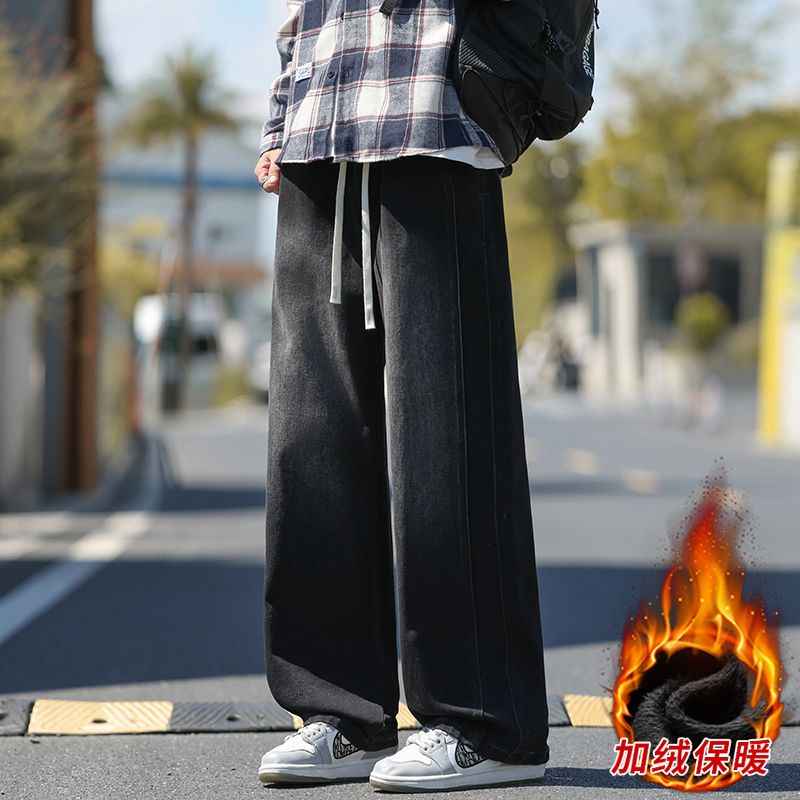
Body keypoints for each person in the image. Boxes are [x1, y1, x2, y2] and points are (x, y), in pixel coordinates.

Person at [254, 0, 549, 792]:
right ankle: (341, 712)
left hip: (436, 121)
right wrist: (281, 119)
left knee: (445, 442)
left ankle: (486, 723)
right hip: (321, 131)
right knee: (312, 444)